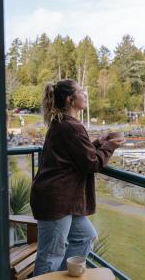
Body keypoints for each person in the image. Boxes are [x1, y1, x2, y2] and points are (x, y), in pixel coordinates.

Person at [30, 79, 124, 276]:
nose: (86, 95)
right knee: (50, 255)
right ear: (70, 99)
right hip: (57, 200)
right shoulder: (70, 126)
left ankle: (61, 276)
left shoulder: (63, 123)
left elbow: (78, 152)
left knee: (85, 237)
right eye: (82, 91)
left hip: (61, 199)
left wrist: (99, 142)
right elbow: (92, 163)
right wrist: (110, 146)